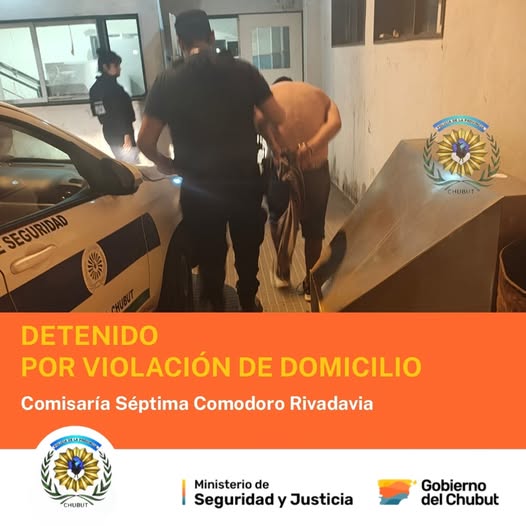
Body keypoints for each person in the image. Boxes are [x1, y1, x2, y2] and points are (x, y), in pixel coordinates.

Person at [138, 9, 285, 312]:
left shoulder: (167, 80)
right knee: (247, 248)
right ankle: (248, 301)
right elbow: (277, 115)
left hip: (198, 188)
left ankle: (215, 305)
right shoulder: (244, 72)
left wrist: (166, 163)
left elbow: (145, 141)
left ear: (180, 42)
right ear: (212, 36)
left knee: (209, 255)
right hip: (244, 182)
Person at [257, 77, 342, 302]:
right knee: (314, 230)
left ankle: (283, 270)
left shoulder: (269, 94)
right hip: (315, 169)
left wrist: (274, 144)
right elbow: (335, 123)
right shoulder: (318, 94)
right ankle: (311, 285)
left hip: (282, 168)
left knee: (279, 220)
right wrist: (311, 147)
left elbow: (257, 119)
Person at [89, 49, 138, 163]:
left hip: (111, 132)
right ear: (105, 67)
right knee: (131, 166)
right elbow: (119, 113)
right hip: (120, 134)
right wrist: (126, 135)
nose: (119, 68)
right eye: (116, 65)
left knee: (126, 163)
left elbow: (101, 114)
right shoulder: (112, 89)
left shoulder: (96, 89)